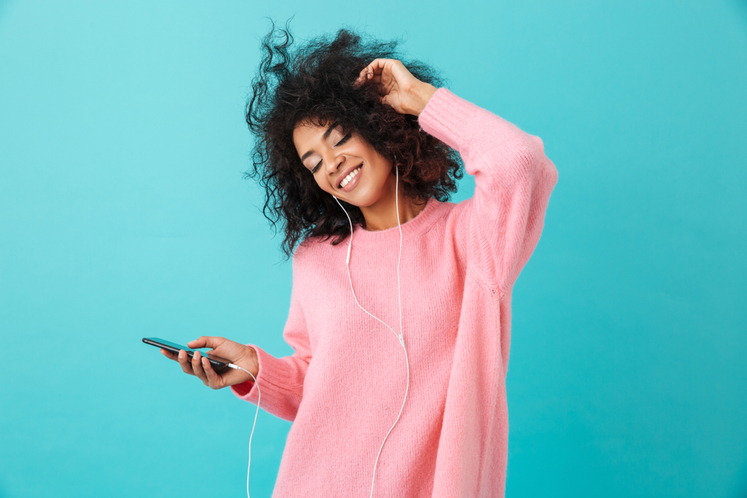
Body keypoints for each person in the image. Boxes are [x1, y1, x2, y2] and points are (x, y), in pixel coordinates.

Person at [161, 25, 558, 498]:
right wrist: (254, 368)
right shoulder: (316, 260)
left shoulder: (472, 241)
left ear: (378, 126)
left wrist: (421, 98)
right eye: (312, 161)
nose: (331, 163)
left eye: (340, 137)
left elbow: (520, 162)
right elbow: (318, 384)